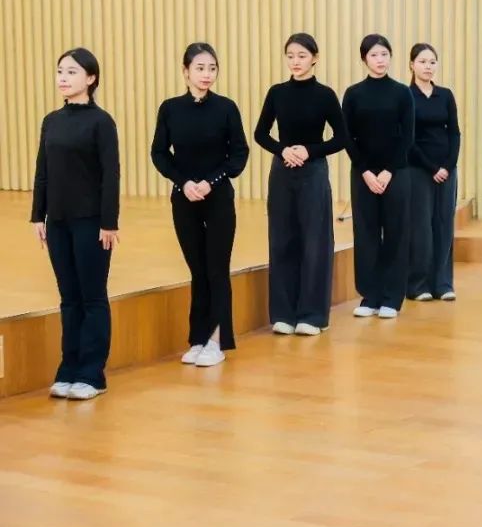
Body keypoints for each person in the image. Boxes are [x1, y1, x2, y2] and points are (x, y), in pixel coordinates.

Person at [151, 43, 250, 365]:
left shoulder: (226, 108)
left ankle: (217, 340)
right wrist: (184, 183)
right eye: (200, 68)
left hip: (218, 197)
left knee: (216, 268)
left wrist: (211, 182)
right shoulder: (170, 109)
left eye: (212, 68)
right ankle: (197, 338)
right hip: (184, 197)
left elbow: (239, 154)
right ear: (186, 71)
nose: (206, 74)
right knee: (197, 269)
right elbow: (159, 153)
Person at [31, 48, 120, 400]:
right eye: (60, 71)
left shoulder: (102, 122)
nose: (63, 78)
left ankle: (92, 373)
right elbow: (43, 171)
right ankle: (68, 367)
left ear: (91, 78)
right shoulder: (51, 121)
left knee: (92, 296)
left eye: (71, 72)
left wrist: (109, 222)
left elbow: (111, 175)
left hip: (91, 221)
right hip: (58, 221)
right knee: (68, 298)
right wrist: (38, 214)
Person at [254, 33, 346, 336]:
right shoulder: (277, 92)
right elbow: (261, 133)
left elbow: (342, 138)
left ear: (315, 58)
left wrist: (309, 151)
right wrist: (283, 150)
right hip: (282, 171)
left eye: (302, 56)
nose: (296, 61)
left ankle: (313, 315)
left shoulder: (325, 95)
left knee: (315, 242)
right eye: (291, 56)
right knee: (282, 239)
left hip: (313, 172)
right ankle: (283, 313)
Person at [343, 34, 415, 319]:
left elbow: (408, 136)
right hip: (363, 174)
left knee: (396, 232)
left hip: (396, 173)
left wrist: (387, 171)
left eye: (384, 54)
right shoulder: (353, 94)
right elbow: (347, 136)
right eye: (374, 55)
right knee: (366, 233)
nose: (380, 60)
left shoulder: (402, 92)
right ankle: (369, 295)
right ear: (364, 59)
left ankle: (392, 298)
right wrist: (365, 171)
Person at [406, 43, 461, 302]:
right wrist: (432, 168)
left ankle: (443, 283)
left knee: (444, 225)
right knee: (421, 228)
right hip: (418, 170)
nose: (428, 66)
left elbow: (454, 133)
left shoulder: (445, 95)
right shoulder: (406, 96)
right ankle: (419, 285)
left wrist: (447, 166)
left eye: (432, 62)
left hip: (447, 170)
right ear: (412, 65)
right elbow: (408, 138)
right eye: (422, 61)